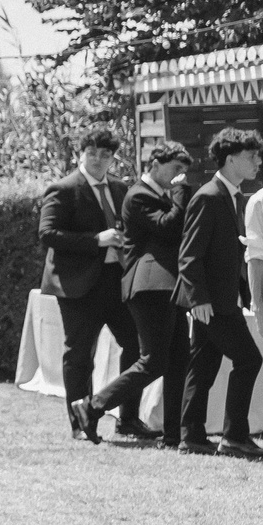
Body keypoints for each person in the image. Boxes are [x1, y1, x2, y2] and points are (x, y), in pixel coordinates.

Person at [87, 141, 190, 441]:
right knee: (153, 361)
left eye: (183, 171)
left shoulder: (159, 195)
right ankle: (92, 407)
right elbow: (169, 227)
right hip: (148, 288)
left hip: (168, 287)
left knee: (179, 360)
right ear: (155, 165)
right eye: (175, 169)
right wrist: (181, 193)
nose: (179, 176)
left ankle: (174, 434)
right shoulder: (140, 195)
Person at [44, 129, 141, 443]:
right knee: (80, 356)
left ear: (113, 158)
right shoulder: (64, 189)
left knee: (138, 346)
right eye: (92, 153)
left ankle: (128, 419)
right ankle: (80, 424)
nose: (98, 160)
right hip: (78, 286)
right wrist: (96, 240)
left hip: (117, 280)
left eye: (105, 155)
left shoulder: (121, 188)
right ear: (80, 154)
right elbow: (48, 234)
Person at [177, 128, 263, 457]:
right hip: (212, 303)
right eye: (251, 155)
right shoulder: (209, 196)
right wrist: (198, 298)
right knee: (249, 359)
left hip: (221, 301)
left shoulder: (233, 196)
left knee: (203, 367)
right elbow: (189, 255)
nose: (258, 161)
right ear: (230, 159)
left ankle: (191, 436)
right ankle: (233, 437)